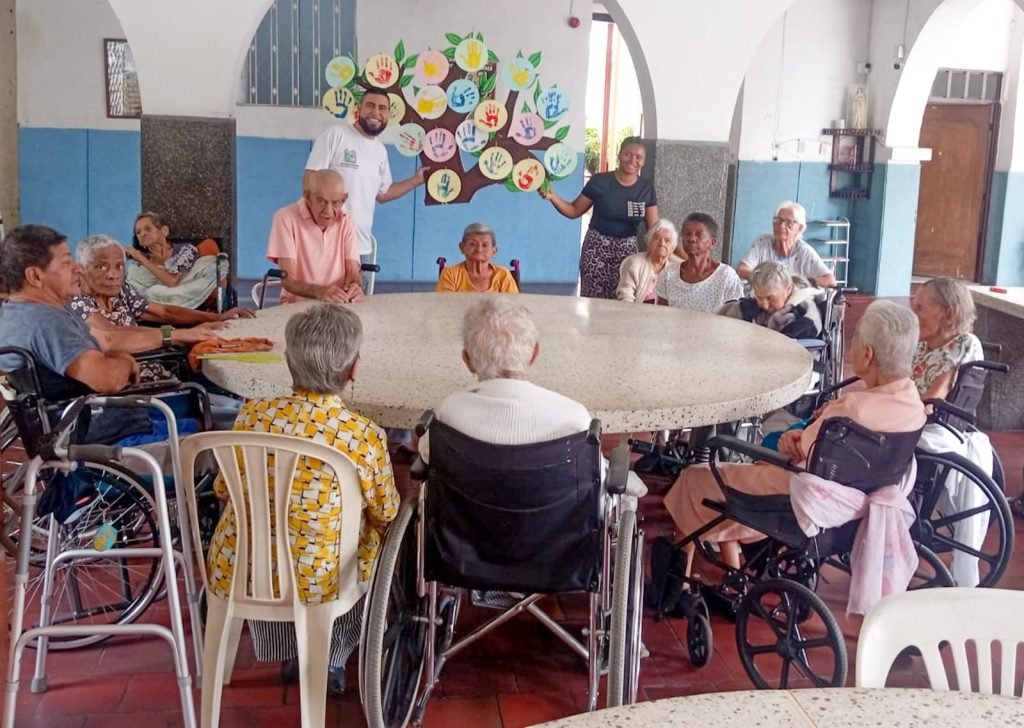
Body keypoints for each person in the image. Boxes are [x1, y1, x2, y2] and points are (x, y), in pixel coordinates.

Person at [205, 303, 400, 696]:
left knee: (266, 538)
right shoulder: (362, 434)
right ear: (354, 369)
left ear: (289, 363)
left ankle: (286, 648)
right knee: (370, 548)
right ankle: (329, 656)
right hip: (319, 580)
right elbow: (387, 512)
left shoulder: (251, 417)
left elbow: (224, 490)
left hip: (241, 566)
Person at [663, 300, 926, 577]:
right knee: (729, 483)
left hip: (799, 498)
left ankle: (676, 580)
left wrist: (789, 439)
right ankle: (731, 572)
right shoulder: (913, 404)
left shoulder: (852, 409)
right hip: (853, 501)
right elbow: (820, 447)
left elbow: (799, 449)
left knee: (694, 478)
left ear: (868, 355)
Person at [0, 225, 140, 394]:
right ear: (36, 276)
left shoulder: (14, 312)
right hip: (95, 415)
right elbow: (109, 380)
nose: (78, 268)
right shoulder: (46, 322)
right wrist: (126, 361)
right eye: (66, 262)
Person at [303, 86, 428, 262]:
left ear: (388, 114)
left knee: (355, 289)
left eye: (382, 108)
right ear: (359, 108)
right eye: (370, 105)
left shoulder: (380, 151)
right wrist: (316, 227)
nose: (375, 112)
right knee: (324, 290)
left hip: (359, 244)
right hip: (326, 241)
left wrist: (416, 180)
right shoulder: (336, 135)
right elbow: (310, 179)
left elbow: (384, 194)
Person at [539, 137, 659, 299]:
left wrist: (675, 252)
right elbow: (574, 210)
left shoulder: (646, 188)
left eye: (639, 157)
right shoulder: (600, 181)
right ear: (619, 155)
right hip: (596, 252)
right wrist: (553, 197)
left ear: (644, 161)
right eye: (627, 154)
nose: (632, 160)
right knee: (593, 303)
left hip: (627, 256)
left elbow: (655, 229)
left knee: (624, 303)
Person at [267, 169, 364, 304]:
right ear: (308, 197)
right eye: (321, 202)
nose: (328, 211)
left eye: (336, 203)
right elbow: (288, 280)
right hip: (297, 308)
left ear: (344, 199)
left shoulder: (346, 222)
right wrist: (321, 292)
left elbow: (353, 272)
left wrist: (356, 286)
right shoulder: (285, 218)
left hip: (338, 306)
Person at [126, 212, 222, 308]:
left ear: (164, 231)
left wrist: (139, 257)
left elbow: (171, 281)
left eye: (148, 229)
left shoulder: (186, 250)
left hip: (178, 299)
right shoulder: (142, 260)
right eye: (138, 232)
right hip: (145, 305)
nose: (142, 234)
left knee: (156, 291)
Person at [910, 277, 983, 400]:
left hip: (924, 416)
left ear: (949, 314)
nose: (912, 315)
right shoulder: (922, 344)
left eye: (920, 308)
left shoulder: (964, 343)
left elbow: (934, 399)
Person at [656, 213, 744, 313]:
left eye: (699, 234)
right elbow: (661, 316)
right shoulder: (668, 275)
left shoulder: (726, 276)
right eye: (687, 234)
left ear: (712, 243)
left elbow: (735, 318)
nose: (692, 239)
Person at [736, 202, 836, 288]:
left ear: (799, 228)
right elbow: (742, 269)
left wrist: (800, 282)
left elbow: (830, 280)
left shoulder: (804, 252)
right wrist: (764, 278)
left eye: (789, 222)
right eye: (778, 220)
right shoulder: (763, 242)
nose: (781, 226)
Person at [718, 261, 823, 339]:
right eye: (759, 297)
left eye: (770, 298)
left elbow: (813, 326)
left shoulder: (805, 310)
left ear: (789, 289)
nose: (764, 305)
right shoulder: (751, 304)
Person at [436, 222, 519, 293]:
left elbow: (513, 306)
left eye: (484, 245)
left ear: (494, 251)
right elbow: (444, 305)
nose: (479, 249)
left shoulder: (503, 275)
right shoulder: (450, 274)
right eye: (473, 244)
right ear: (462, 247)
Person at [616, 219, 676, 304]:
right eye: (657, 238)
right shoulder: (635, 264)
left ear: (673, 247)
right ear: (649, 242)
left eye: (667, 240)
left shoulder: (674, 272)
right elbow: (625, 295)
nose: (662, 243)